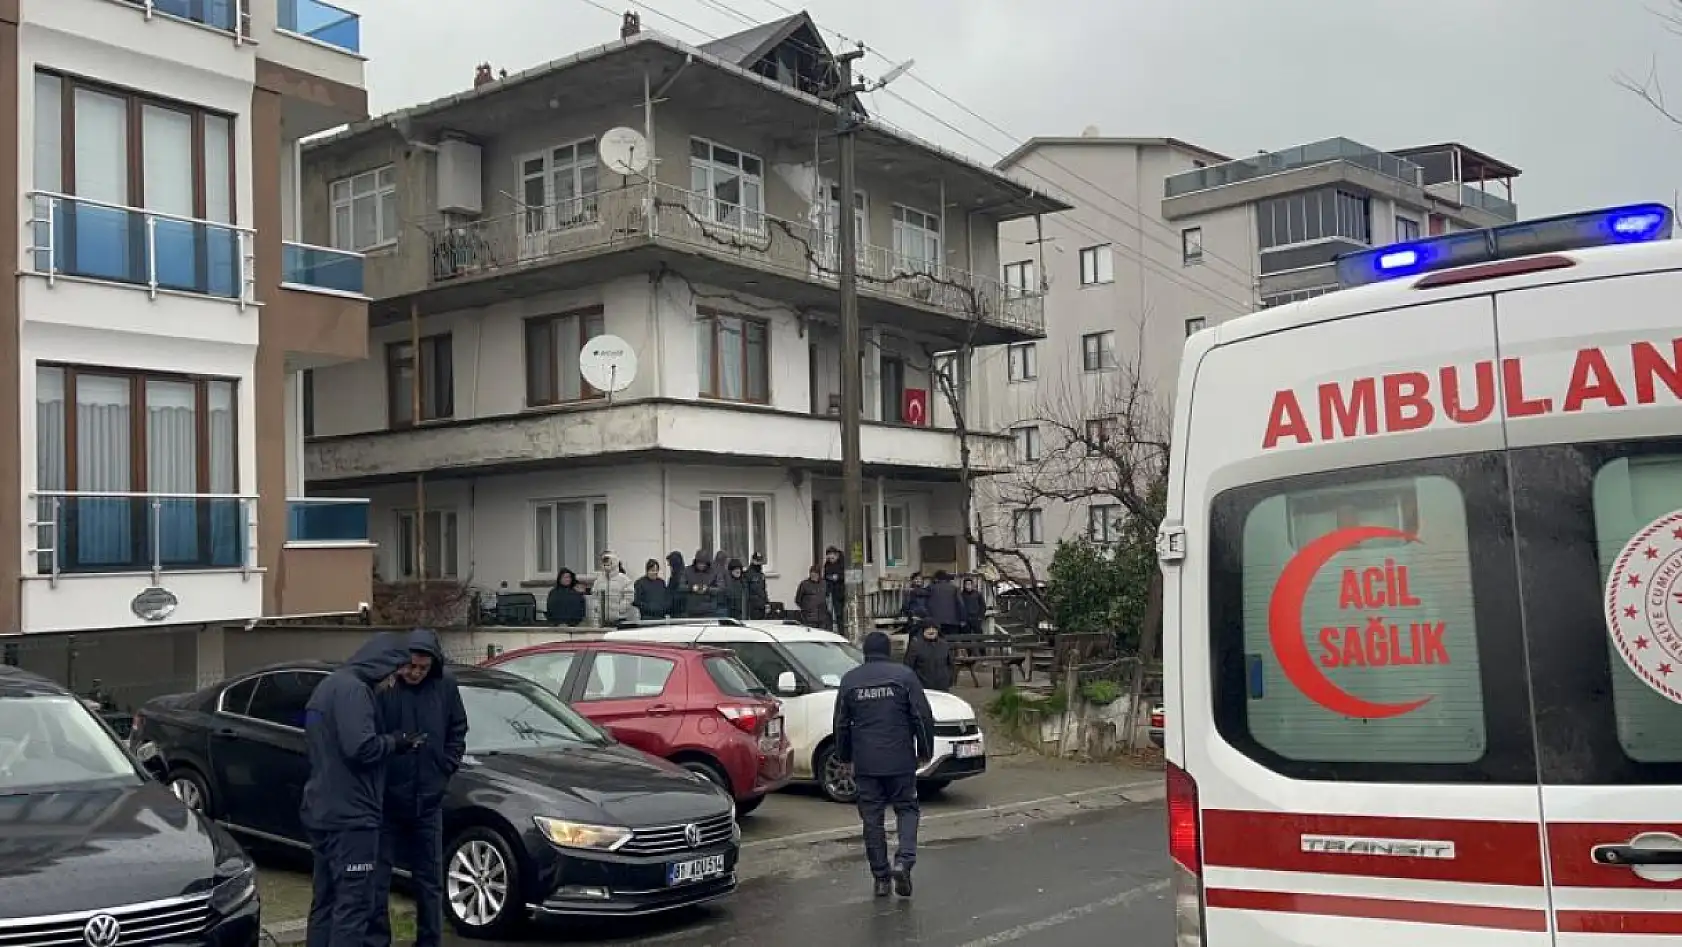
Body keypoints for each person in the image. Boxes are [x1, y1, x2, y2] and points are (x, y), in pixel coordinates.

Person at [301, 633, 421, 947]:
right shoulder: (355, 691)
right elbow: (360, 748)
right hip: (352, 817)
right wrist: (397, 742)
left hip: (321, 810)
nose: (392, 684)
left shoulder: (327, 687)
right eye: (394, 675)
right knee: (352, 906)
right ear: (382, 667)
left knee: (325, 901)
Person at [367, 630, 468, 947]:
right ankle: (377, 941)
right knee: (378, 881)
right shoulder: (383, 686)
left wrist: (445, 766)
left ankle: (429, 941)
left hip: (428, 800)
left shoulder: (445, 686)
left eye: (423, 668)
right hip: (386, 802)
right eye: (411, 666)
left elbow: (457, 728)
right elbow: (367, 735)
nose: (415, 673)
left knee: (429, 882)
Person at [833, 631, 935, 899]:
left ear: (865, 651)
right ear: (888, 651)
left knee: (872, 820)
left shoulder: (850, 680)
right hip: (900, 759)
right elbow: (921, 716)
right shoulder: (904, 676)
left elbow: (841, 724)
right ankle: (904, 862)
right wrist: (925, 750)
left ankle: (880, 878)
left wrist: (845, 758)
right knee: (907, 810)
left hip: (866, 764)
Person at [903, 620, 955, 692]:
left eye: (934, 628)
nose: (931, 631)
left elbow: (950, 664)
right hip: (923, 686)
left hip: (942, 686)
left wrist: (949, 679)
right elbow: (908, 666)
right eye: (928, 628)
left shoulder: (944, 644)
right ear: (923, 630)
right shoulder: (915, 645)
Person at [592, 551, 635, 625]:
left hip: (619, 619)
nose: (606, 566)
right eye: (604, 564)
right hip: (602, 619)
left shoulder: (624, 579)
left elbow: (629, 597)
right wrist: (597, 608)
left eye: (609, 563)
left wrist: (620, 609)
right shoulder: (598, 581)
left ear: (614, 563)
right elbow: (594, 596)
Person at [925, 570, 964, 638]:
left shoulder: (931, 588)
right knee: (952, 643)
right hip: (953, 622)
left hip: (936, 622)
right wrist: (963, 619)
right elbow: (961, 604)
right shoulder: (954, 588)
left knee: (938, 643)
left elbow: (926, 604)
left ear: (936, 578)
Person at [683, 550, 717, 617]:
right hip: (692, 609)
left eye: (703, 563)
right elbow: (681, 586)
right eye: (699, 563)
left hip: (709, 609)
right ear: (696, 562)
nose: (701, 565)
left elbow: (720, 588)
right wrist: (692, 588)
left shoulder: (713, 572)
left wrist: (707, 589)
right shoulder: (688, 570)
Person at [822, 546, 846, 630]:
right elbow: (825, 576)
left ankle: (842, 632)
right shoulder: (827, 564)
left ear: (836, 555)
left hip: (842, 591)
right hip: (832, 591)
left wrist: (838, 577)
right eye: (829, 558)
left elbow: (848, 575)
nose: (831, 560)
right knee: (832, 613)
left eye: (832, 558)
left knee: (841, 615)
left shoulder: (844, 562)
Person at [745, 552, 770, 620]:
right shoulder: (748, 574)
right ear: (753, 560)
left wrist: (767, 603)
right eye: (757, 561)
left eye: (760, 561)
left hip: (761, 606)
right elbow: (746, 592)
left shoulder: (761, 575)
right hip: (752, 607)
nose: (759, 563)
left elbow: (763, 590)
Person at [665, 550, 688, 618]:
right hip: (682, 612)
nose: (669, 566)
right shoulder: (686, 574)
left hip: (679, 612)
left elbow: (675, 595)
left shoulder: (678, 577)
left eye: (670, 564)